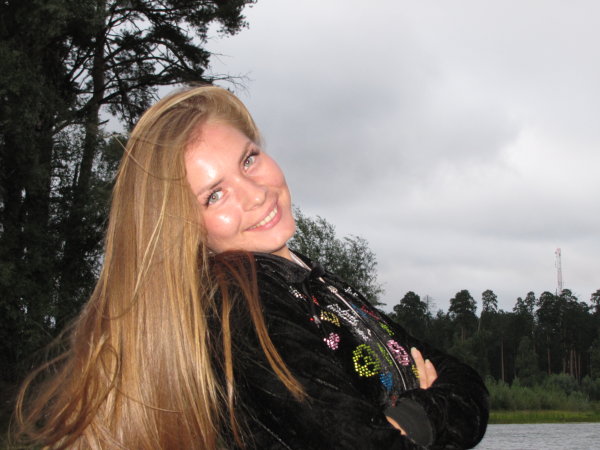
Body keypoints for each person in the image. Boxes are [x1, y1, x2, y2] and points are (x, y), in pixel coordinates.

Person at [14, 86, 488, 449]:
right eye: (214, 194)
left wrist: (416, 417)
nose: (256, 194)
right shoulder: (242, 305)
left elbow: (465, 380)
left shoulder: (305, 279)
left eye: (249, 159)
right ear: (184, 229)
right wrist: (424, 413)